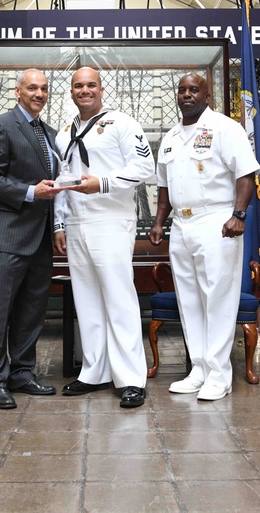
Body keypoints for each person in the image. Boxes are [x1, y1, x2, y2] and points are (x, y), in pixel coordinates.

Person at [148, 73, 259, 401]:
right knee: (190, 299)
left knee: (218, 298)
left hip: (216, 221)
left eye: (193, 89)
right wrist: (158, 223)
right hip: (181, 227)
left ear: (208, 95)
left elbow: (246, 175)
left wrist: (238, 215)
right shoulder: (169, 138)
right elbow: (164, 189)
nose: (186, 94)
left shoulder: (226, 128)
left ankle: (219, 373)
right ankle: (198, 369)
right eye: (181, 90)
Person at [52, 67, 155, 409]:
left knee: (118, 297)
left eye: (91, 85)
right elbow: (63, 181)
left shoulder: (122, 123)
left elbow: (145, 168)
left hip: (111, 218)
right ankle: (94, 371)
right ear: (71, 91)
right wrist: (59, 224)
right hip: (78, 223)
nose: (85, 90)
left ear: (101, 88)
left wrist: (103, 182)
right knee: (87, 300)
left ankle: (131, 379)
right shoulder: (65, 133)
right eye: (78, 86)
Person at [0, 69, 65, 409]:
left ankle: (22, 372)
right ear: (18, 91)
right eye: (32, 88)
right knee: (1, 310)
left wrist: (57, 226)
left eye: (44, 88)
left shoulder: (51, 134)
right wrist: (30, 191)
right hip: (9, 234)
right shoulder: (0, 125)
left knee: (32, 309)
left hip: (41, 236)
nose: (39, 93)